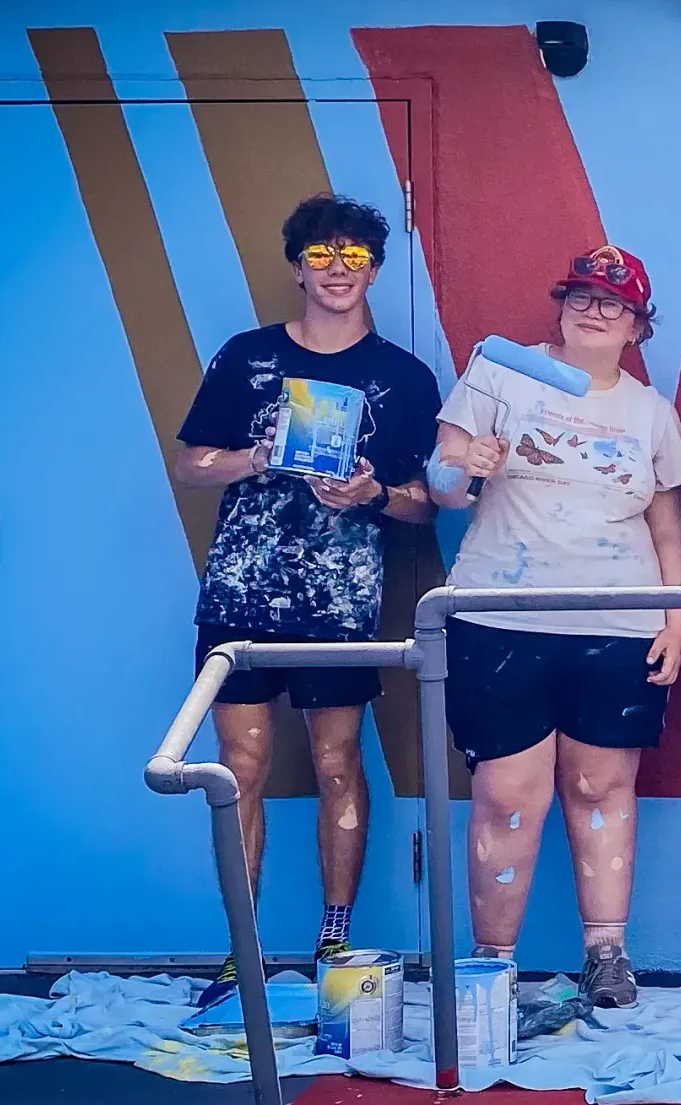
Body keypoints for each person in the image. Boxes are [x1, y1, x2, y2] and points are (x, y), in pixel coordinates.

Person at [176, 194, 440, 1010]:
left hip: (339, 603)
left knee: (336, 764)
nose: (336, 270)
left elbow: (427, 502)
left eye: (354, 256)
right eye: (322, 255)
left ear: (374, 270)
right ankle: (243, 952)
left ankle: (334, 940)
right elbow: (191, 463)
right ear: (297, 266)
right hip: (240, 593)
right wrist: (253, 457)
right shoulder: (246, 357)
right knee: (240, 769)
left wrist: (369, 493)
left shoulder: (403, 377)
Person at [427, 246, 681, 1009]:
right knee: (507, 795)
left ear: (638, 324)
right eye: (581, 294)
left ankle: (607, 952)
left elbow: (670, 529)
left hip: (617, 623)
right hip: (499, 618)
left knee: (601, 786)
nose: (594, 309)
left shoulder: (650, 411)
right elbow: (442, 484)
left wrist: (678, 621)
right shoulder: (498, 373)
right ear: (561, 303)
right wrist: (467, 462)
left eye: (614, 302)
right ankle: (492, 966)